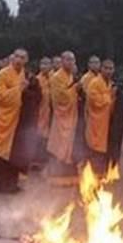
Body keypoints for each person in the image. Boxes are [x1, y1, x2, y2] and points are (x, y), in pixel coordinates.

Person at [0, 49, 33, 193]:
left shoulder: (24, 74)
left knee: (15, 152)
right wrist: (19, 89)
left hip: (18, 119)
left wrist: (25, 91)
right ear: (12, 58)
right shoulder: (3, 74)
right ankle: (0, 184)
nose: (19, 60)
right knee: (1, 151)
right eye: (17, 56)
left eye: (23, 57)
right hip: (4, 118)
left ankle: (12, 183)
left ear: (26, 60)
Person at [46, 51, 80, 186]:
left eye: (72, 60)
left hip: (71, 116)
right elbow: (60, 98)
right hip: (61, 117)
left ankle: (69, 178)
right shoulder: (56, 77)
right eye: (67, 60)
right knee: (60, 145)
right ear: (62, 61)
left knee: (71, 146)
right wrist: (75, 88)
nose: (70, 62)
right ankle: (57, 178)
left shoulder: (71, 75)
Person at [85, 59, 116, 175]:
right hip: (96, 122)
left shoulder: (109, 83)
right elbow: (95, 101)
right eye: (106, 68)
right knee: (95, 149)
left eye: (111, 68)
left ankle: (101, 174)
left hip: (106, 122)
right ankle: (91, 175)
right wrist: (110, 96)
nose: (109, 71)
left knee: (104, 150)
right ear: (101, 69)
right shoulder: (94, 83)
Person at [34, 56, 53, 167]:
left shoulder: (53, 79)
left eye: (47, 64)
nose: (44, 66)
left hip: (50, 112)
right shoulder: (36, 80)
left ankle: (46, 160)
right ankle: (37, 161)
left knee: (49, 136)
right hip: (39, 112)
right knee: (38, 135)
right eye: (43, 64)